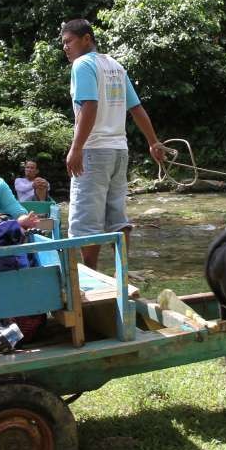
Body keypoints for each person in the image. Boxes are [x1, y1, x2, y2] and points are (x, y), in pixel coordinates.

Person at [60, 18, 165, 270]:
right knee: (117, 217)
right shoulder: (115, 66)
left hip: (94, 151)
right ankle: (122, 274)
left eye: (69, 41)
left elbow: (89, 105)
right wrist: (153, 142)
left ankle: (89, 277)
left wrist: (76, 148)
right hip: (119, 151)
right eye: (63, 43)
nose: (65, 47)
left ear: (87, 39)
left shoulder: (82, 64)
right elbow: (136, 108)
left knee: (86, 221)